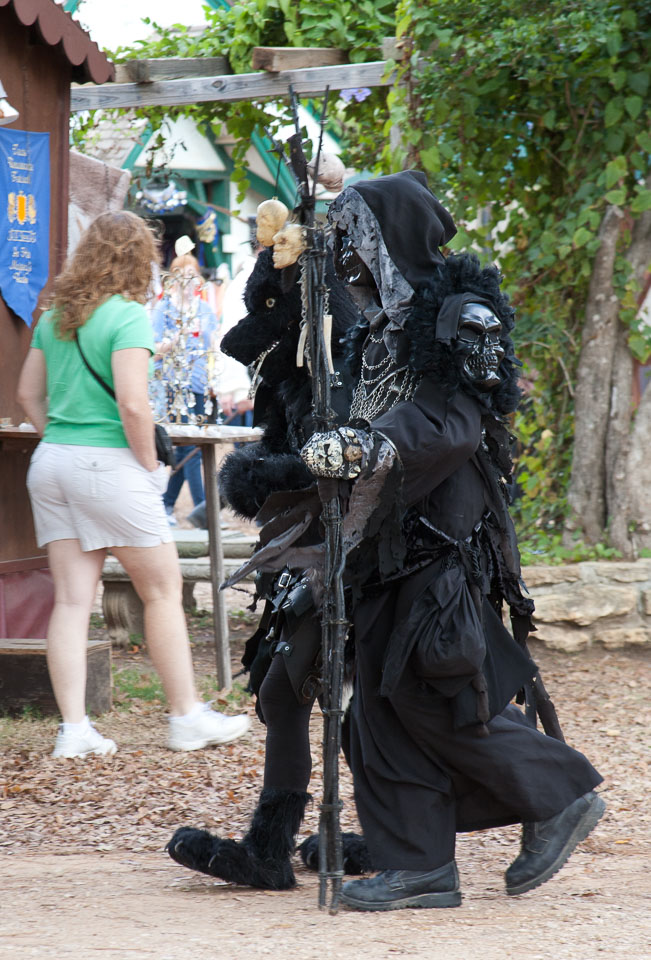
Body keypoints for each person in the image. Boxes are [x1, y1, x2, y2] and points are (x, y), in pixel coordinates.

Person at [293, 170, 604, 910]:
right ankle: (420, 865)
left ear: (389, 236)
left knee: (436, 692)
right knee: (377, 705)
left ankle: (557, 794)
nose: (345, 256)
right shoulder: (376, 329)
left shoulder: (460, 315)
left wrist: (369, 446)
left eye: (355, 237)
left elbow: (455, 427)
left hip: (438, 540)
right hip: (379, 544)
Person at [166, 244, 366, 887]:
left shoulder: (348, 365)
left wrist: (266, 479)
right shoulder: (294, 377)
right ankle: (273, 848)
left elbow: (347, 467)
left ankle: (402, 836)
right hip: (314, 561)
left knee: (392, 705)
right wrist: (260, 478)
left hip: (362, 563)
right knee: (285, 694)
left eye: (271, 311)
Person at [16, 211, 250, 759]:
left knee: (71, 600)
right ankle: (186, 716)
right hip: (110, 465)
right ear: (139, 257)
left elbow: (27, 395)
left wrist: (63, 438)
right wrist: (149, 465)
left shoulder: (57, 314)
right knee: (162, 591)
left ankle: (74, 729)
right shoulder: (127, 316)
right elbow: (133, 404)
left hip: (51, 463)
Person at [150, 252, 218, 525]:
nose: (188, 281)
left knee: (186, 449)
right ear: (173, 279)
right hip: (172, 385)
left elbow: (212, 347)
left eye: (192, 275)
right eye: (182, 275)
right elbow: (154, 347)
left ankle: (165, 504)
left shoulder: (204, 310)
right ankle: (204, 511)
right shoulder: (164, 308)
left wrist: (215, 381)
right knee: (190, 446)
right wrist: (175, 338)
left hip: (198, 384)